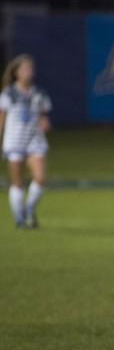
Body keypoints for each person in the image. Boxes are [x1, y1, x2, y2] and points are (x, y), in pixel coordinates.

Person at [0, 54, 52, 229]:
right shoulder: (9, 94)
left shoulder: (39, 94)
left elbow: (44, 116)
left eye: (31, 69)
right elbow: (2, 120)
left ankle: (29, 209)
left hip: (35, 140)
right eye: (24, 69)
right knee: (17, 182)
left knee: (40, 178)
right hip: (14, 141)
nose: (28, 72)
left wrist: (45, 122)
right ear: (16, 73)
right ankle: (20, 218)